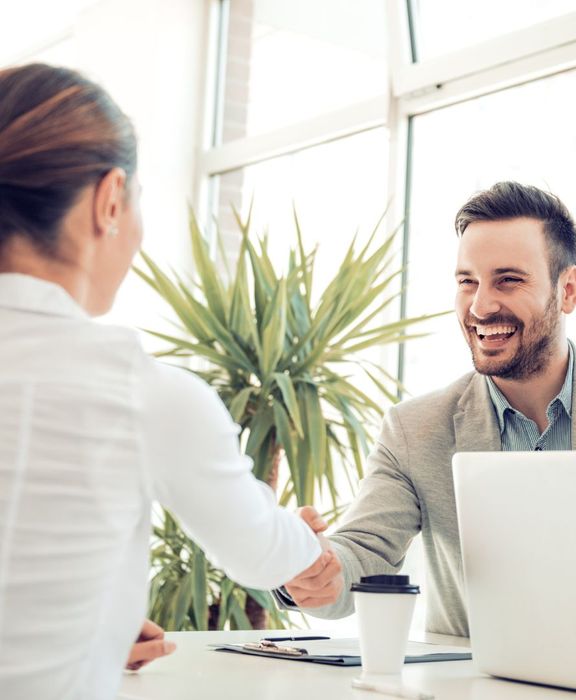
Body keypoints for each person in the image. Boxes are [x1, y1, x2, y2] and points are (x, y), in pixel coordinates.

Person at [0, 63, 331, 700]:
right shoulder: (141, 393)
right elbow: (264, 554)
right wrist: (300, 538)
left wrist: (80, 628)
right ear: (110, 200)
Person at [278, 181, 576, 636]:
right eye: (467, 282)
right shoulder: (415, 430)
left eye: (508, 280)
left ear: (569, 291)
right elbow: (362, 553)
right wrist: (311, 569)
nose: (480, 305)